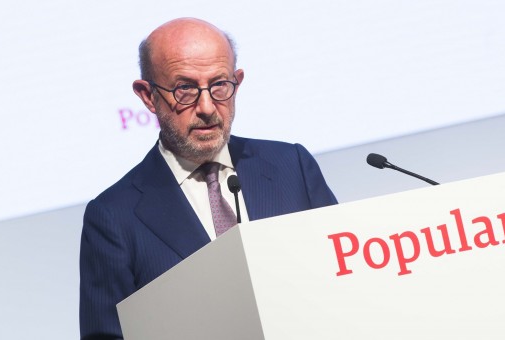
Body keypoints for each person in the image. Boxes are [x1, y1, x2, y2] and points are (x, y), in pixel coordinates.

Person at [79, 17, 338, 340]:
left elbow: (341, 279)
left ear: (237, 82)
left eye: (219, 86)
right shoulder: (113, 217)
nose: (206, 107)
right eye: (184, 88)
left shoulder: (291, 166)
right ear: (147, 96)